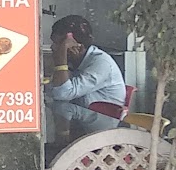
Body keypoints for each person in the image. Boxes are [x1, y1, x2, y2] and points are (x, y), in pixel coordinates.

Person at [44, 14, 126, 145]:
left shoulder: (100, 63)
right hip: (81, 126)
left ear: (79, 47)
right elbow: (51, 91)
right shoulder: (76, 61)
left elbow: (62, 93)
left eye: (59, 44)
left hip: (101, 135)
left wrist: (61, 60)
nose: (53, 47)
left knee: (54, 147)